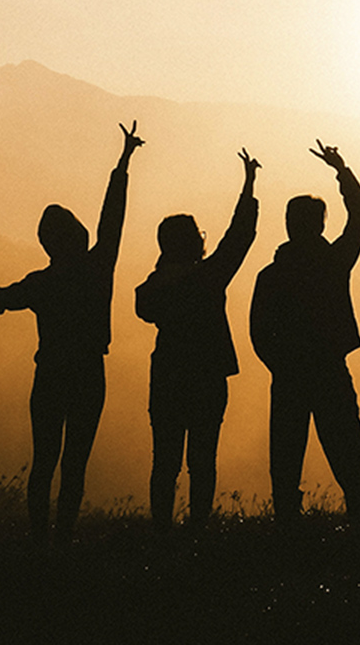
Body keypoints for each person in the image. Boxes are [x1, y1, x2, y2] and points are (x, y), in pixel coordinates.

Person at [0, 121, 143, 542]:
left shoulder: (41, 284)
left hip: (51, 375)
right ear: (77, 236)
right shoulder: (97, 268)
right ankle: (63, 538)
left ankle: (40, 541)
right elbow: (114, 217)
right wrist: (123, 163)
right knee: (74, 463)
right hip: (88, 374)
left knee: (45, 461)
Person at [134, 149, 260, 530]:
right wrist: (249, 186)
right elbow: (240, 237)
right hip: (207, 377)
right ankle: (199, 527)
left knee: (165, 460)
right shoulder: (208, 278)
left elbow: (144, 309)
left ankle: (161, 529)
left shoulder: (153, 287)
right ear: (194, 242)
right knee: (203, 458)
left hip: (168, 376)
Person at [248, 141, 360, 520]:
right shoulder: (333, 262)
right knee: (346, 447)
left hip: (288, 373)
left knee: (286, 451)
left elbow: (258, 331)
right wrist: (342, 169)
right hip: (329, 367)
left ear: (289, 224)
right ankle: (359, 513)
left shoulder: (272, 274)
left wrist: (279, 363)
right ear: (320, 224)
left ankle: (287, 519)